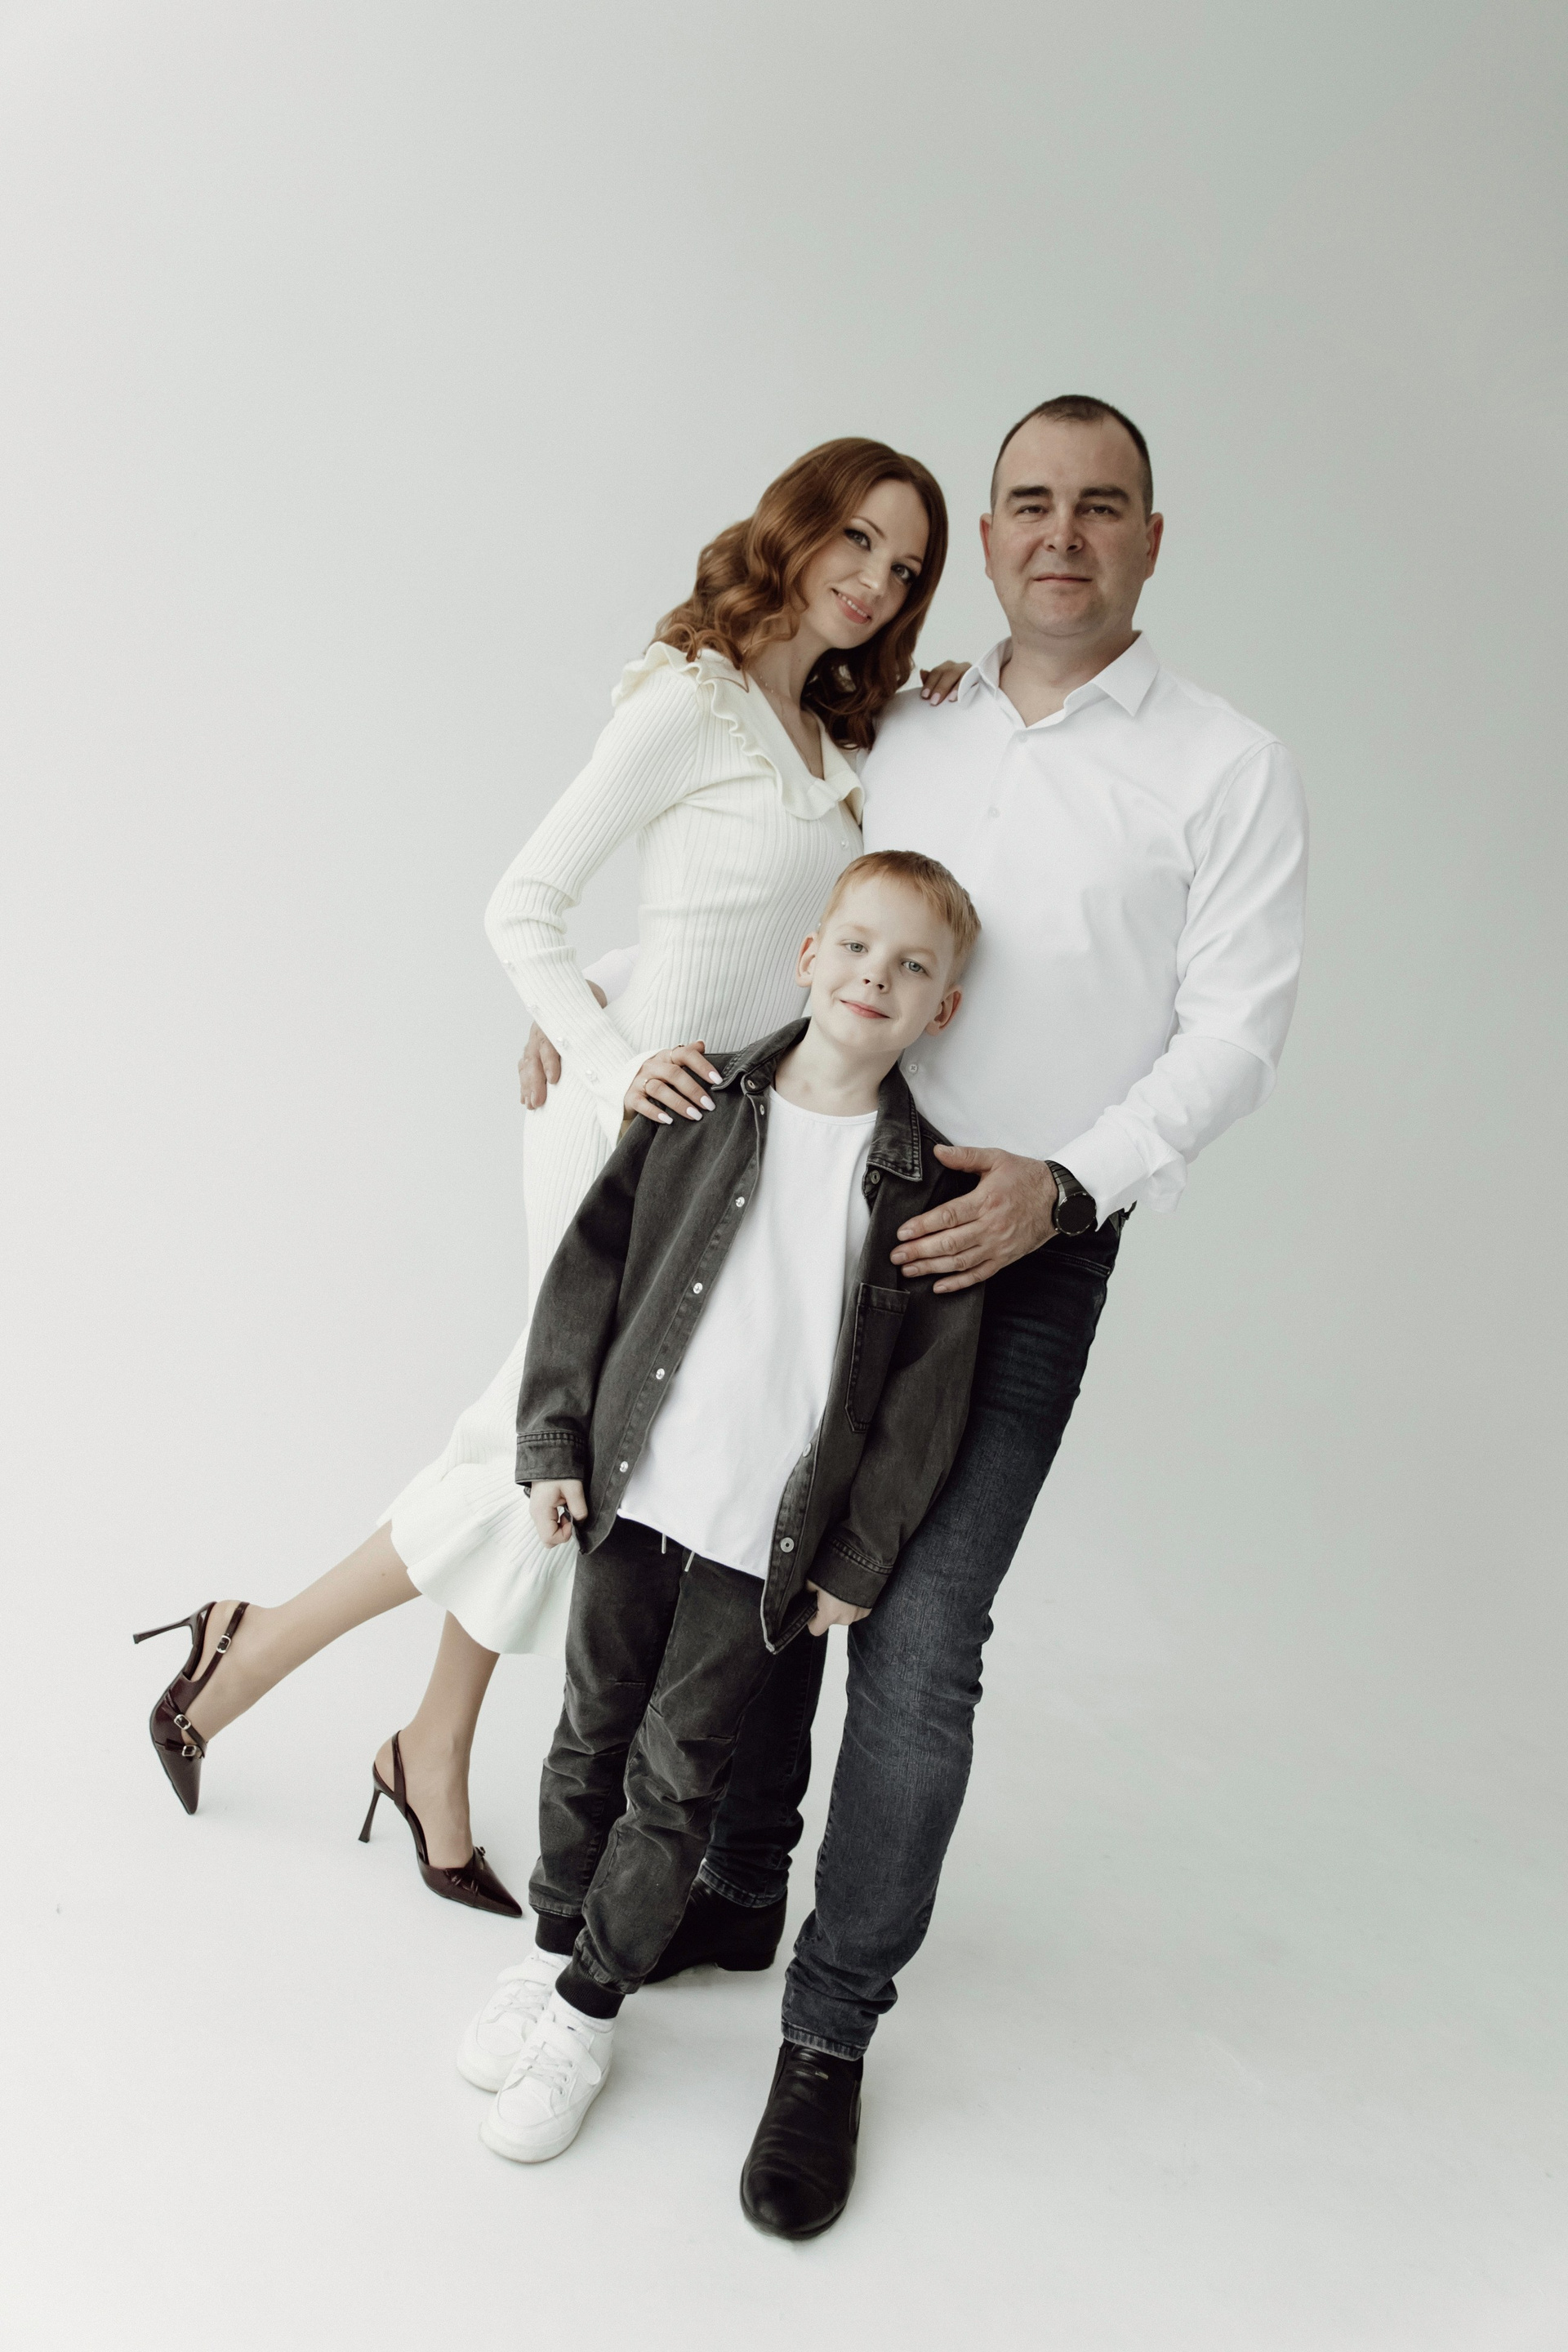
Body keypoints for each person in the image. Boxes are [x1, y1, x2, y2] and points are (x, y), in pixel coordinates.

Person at [517, 394, 1309, 2235]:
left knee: (918, 1634)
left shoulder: (1226, 764)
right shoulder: (918, 719)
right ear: (995, 536)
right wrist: (596, 1004)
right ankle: (736, 1889)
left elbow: (1239, 1034)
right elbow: (792, 895)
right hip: (812, 1195)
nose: (1060, 534)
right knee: (752, 1556)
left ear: (1152, 540)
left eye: (1099, 507)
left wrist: (1065, 1185)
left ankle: (829, 2036)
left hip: (1019, 1240)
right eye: (1028, 502)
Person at [134, 439, 947, 1913]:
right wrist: (602, 1044)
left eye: (904, 571)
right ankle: (265, 1657)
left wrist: (622, 989)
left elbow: (728, 933)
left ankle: (416, 1737)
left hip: (723, 1152)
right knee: (555, 1443)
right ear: (800, 523)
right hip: (628, 1132)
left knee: (546, 1449)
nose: (876, 583)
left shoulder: (831, 741)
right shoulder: (691, 700)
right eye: (859, 541)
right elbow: (524, 901)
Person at [455, 853, 984, 2167]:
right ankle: (549, 1948)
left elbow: (924, 1400)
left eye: (912, 966)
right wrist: (553, 1440)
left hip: (761, 1545)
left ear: (943, 1009)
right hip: (635, 1492)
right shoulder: (696, 1098)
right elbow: (588, 1270)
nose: (875, 977)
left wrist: (859, 1556)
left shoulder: (926, 1182)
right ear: (808, 955)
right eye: (856, 946)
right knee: (588, 1733)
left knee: (677, 1774)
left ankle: (590, 2009)